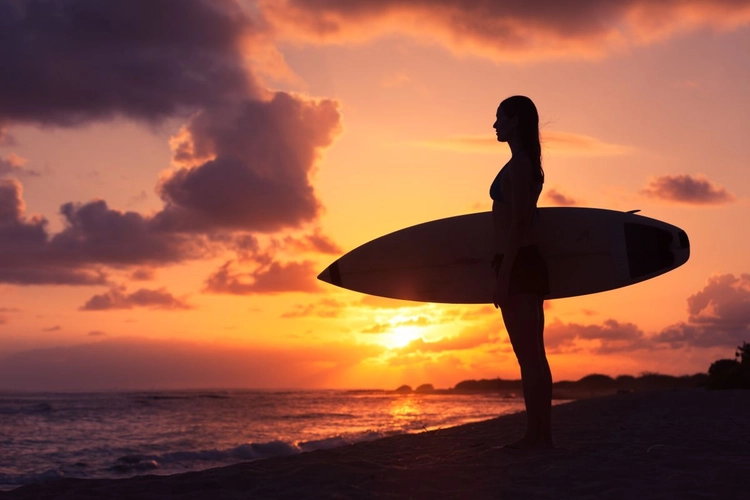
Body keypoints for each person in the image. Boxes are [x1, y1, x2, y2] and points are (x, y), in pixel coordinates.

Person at [490, 95, 553, 450]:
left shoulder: (520, 166)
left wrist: (503, 276)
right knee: (532, 355)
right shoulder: (526, 163)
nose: (495, 125)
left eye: (500, 118)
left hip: (518, 264)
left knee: (529, 357)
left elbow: (518, 225)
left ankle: (537, 437)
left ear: (515, 121)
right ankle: (540, 435)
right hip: (521, 262)